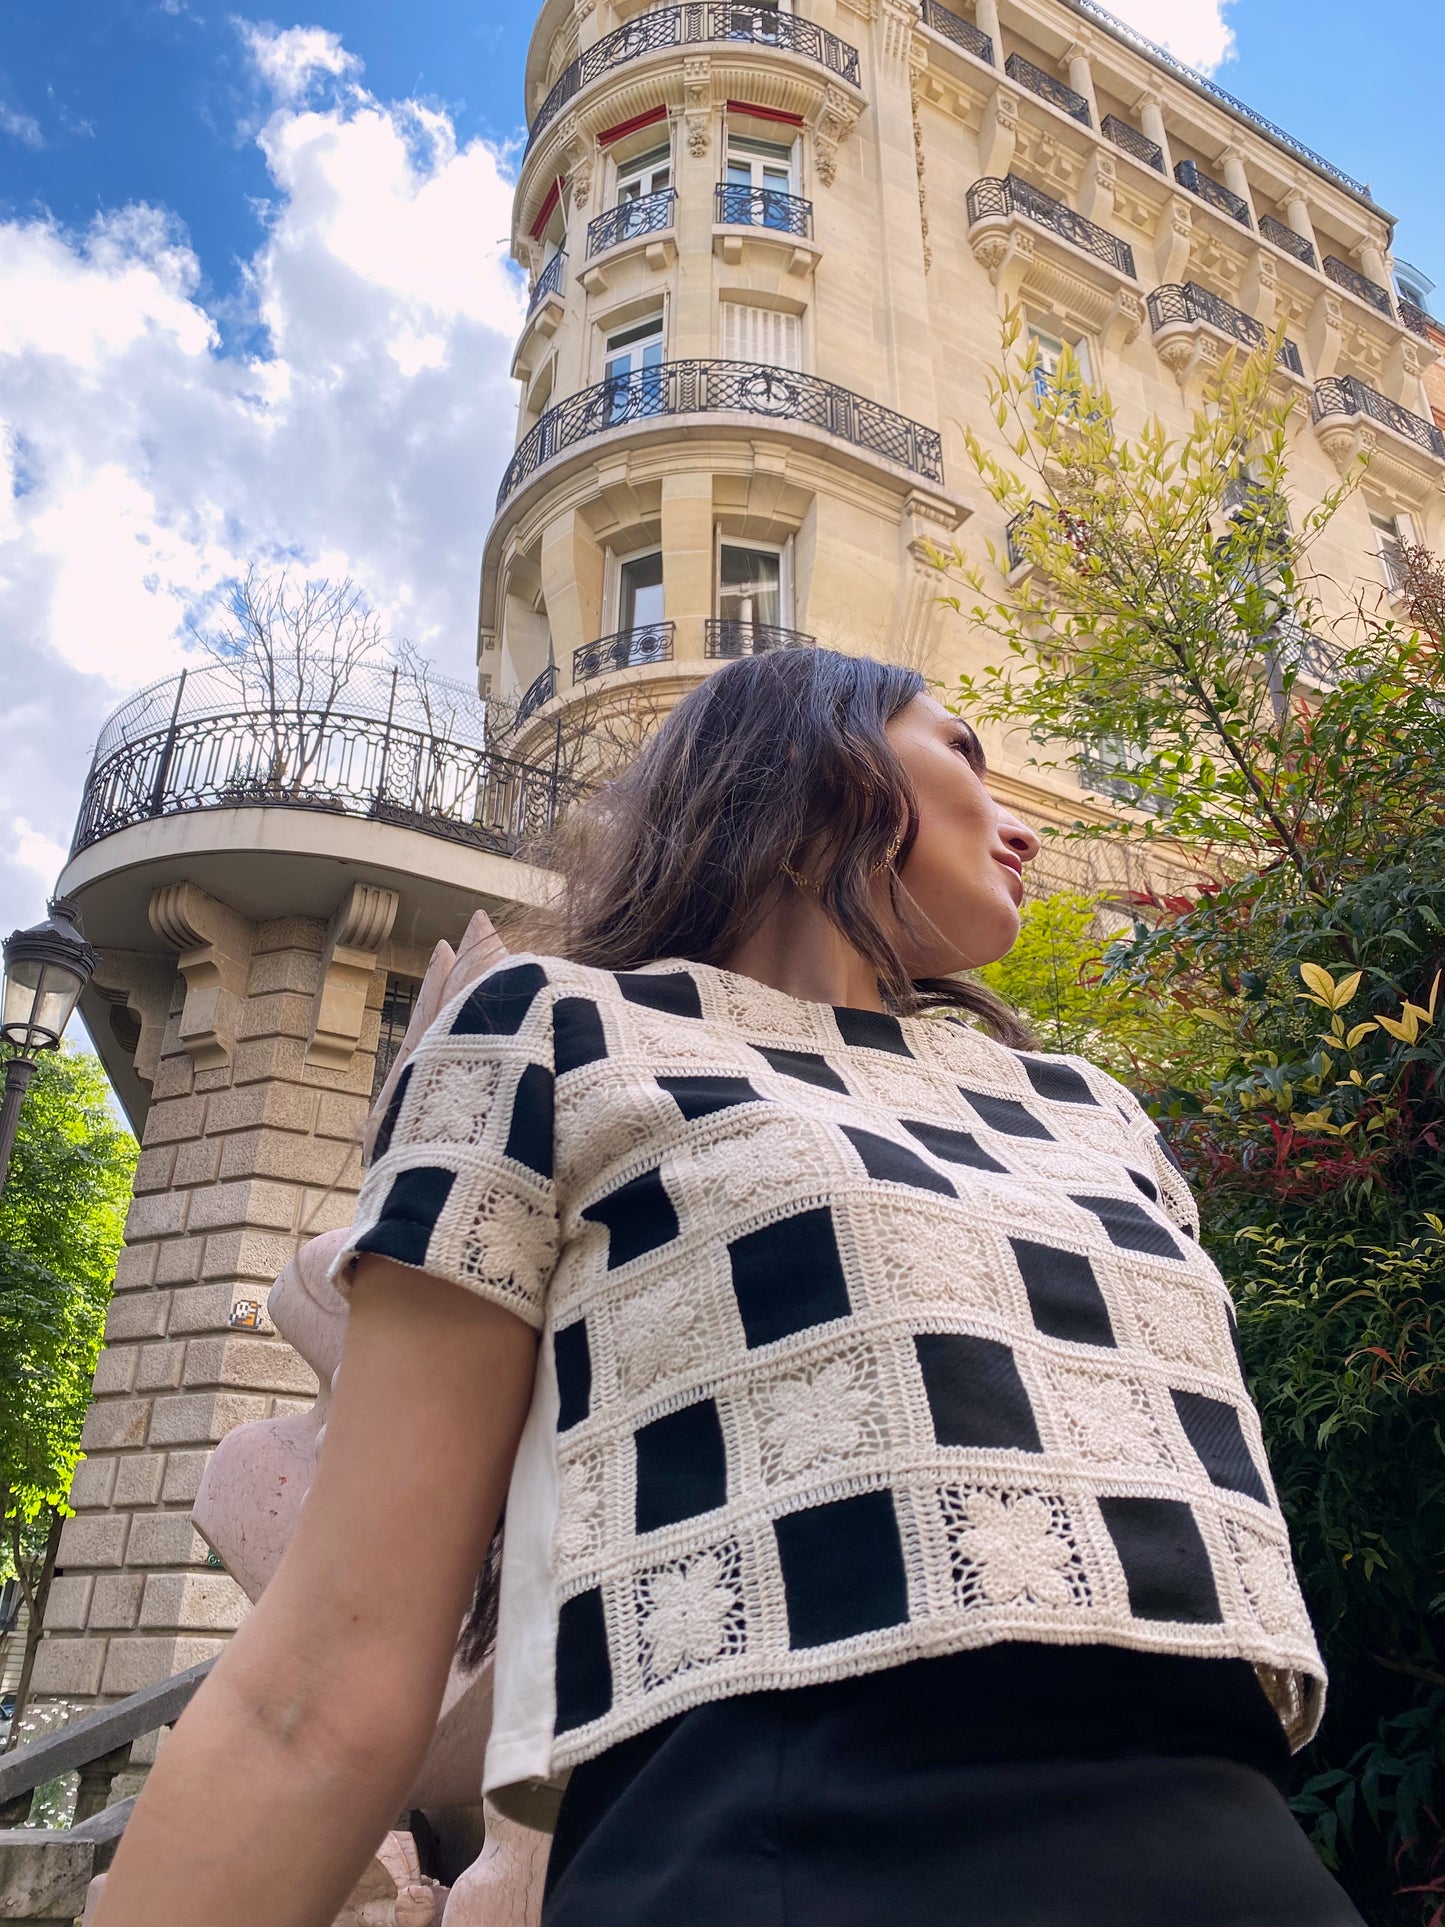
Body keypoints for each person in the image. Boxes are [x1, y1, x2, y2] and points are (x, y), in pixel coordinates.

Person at [94, 649, 1360, 1926]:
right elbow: (316, 1689)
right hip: (784, 1852)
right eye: (962, 751)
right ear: (816, 762)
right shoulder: (553, 1032)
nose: (1019, 818)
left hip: (1236, 1845)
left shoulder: (1097, 1114)